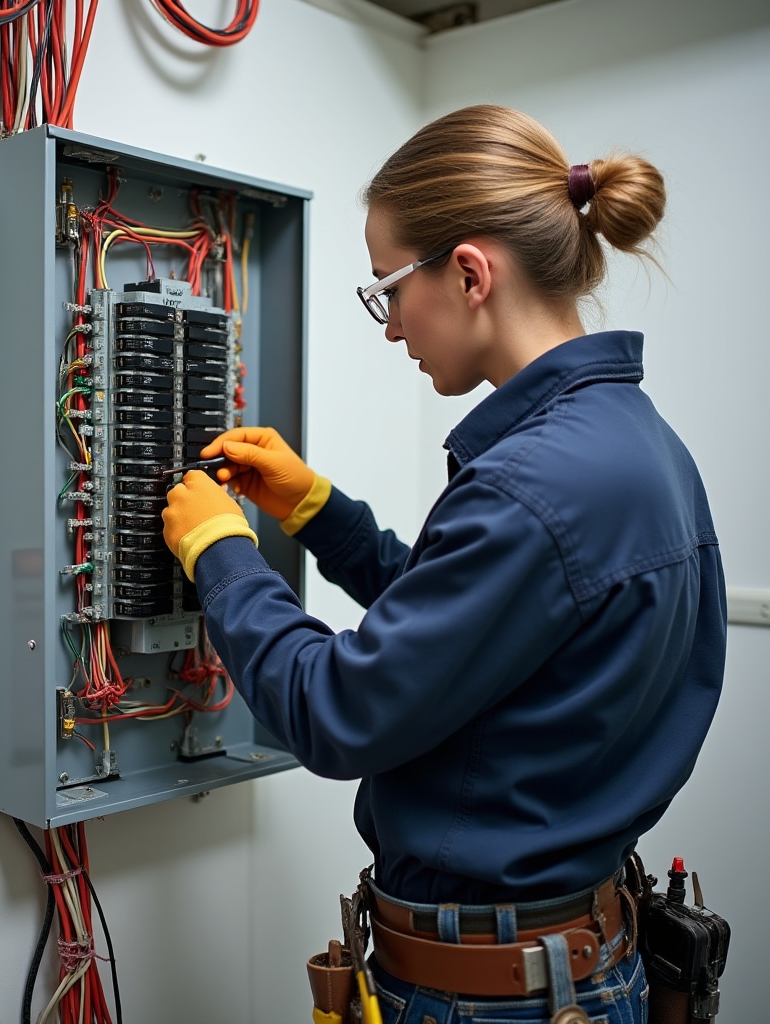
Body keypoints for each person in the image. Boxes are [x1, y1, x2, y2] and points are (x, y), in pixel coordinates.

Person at [162, 104, 726, 1024]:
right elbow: (480, 635)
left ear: (468, 272)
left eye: (387, 288)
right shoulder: (641, 449)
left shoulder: (531, 485)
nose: (390, 328)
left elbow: (339, 711)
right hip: (582, 964)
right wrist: (317, 512)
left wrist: (220, 552)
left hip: (495, 996)